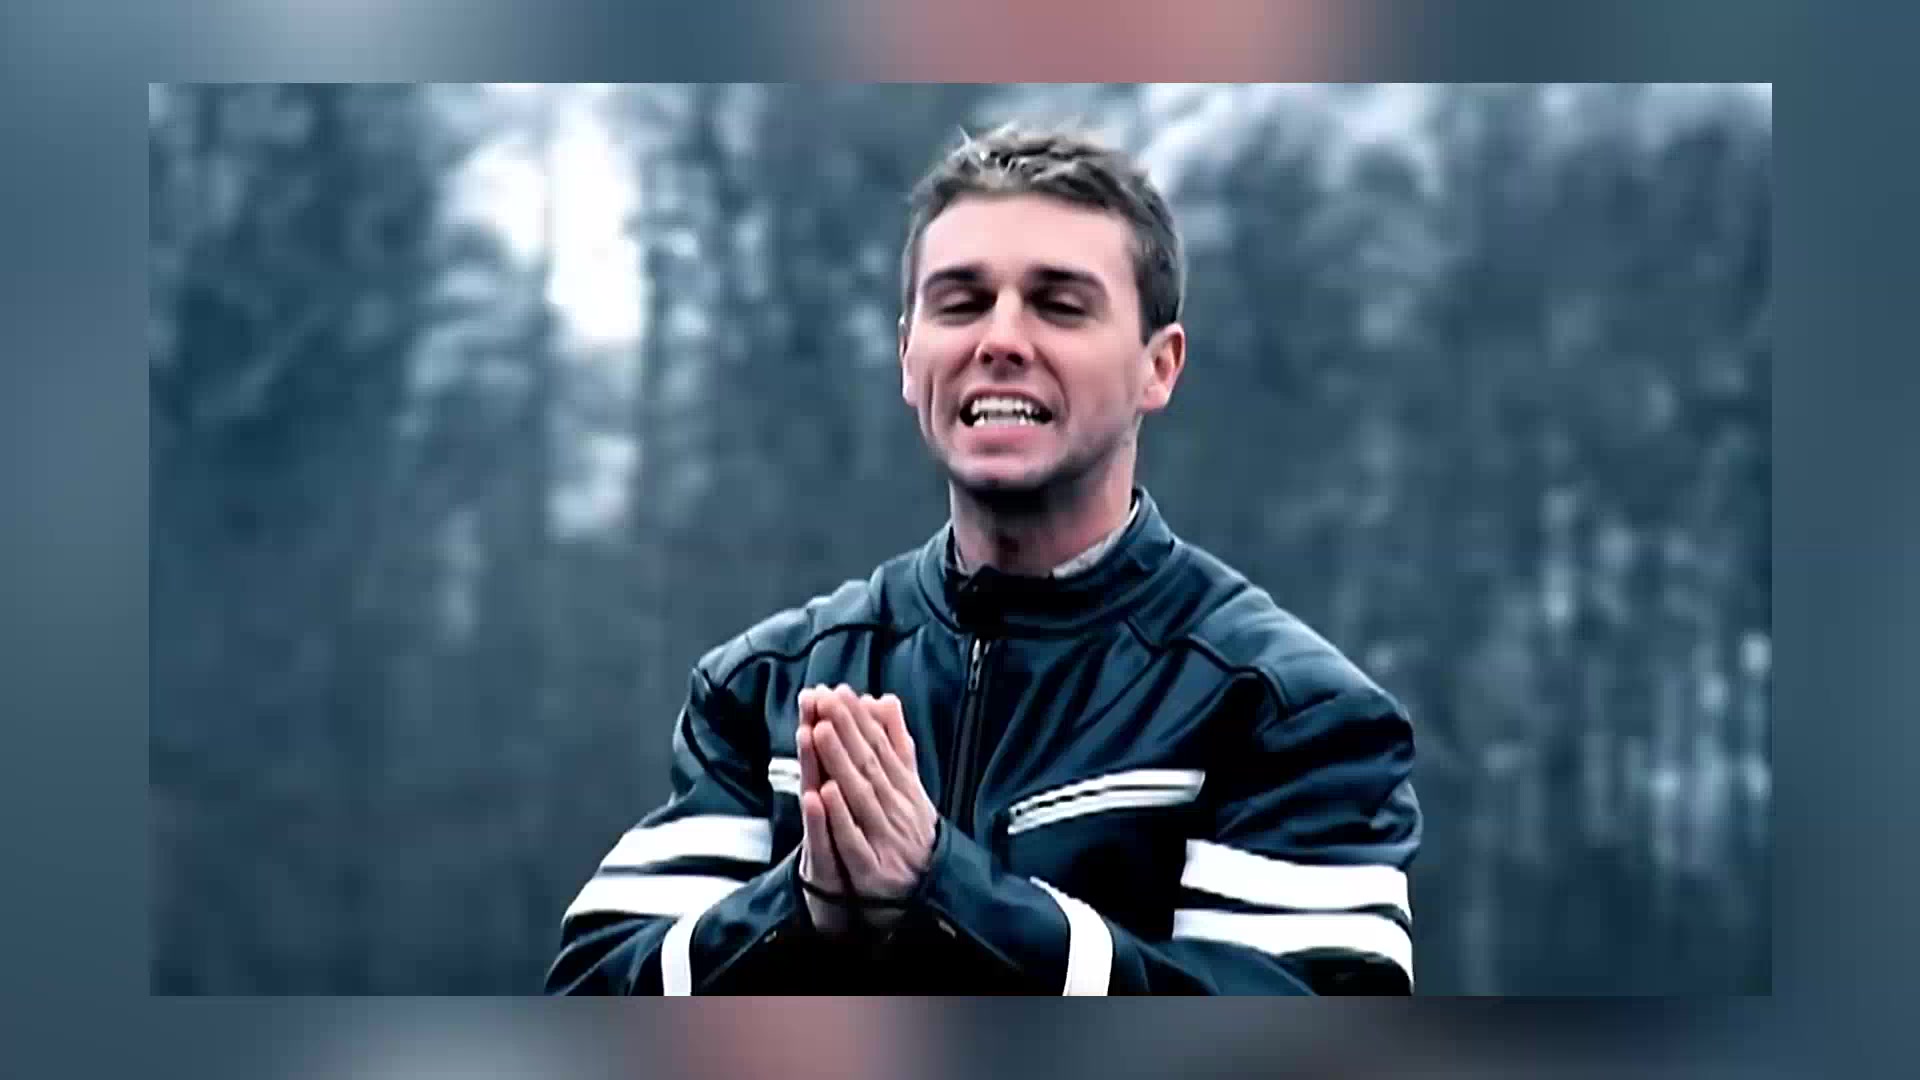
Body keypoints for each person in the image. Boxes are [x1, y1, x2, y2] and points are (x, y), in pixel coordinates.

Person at [544, 123, 1421, 995]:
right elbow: (590, 996)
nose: (1000, 339)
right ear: (907, 356)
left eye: (1059, 305)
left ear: (1159, 367)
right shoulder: (764, 691)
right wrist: (800, 906)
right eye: (961, 303)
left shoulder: (1285, 711)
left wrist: (948, 892)